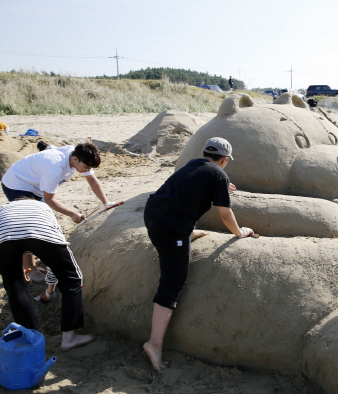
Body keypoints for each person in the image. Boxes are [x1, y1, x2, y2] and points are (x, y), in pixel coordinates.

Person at [142, 137, 253, 371]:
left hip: (152, 215)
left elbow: (196, 181)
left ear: (205, 154)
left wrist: (224, 182)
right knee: (172, 283)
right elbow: (225, 213)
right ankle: (154, 344)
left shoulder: (194, 164)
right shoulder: (219, 174)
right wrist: (239, 232)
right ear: (225, 160)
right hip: (170, 229)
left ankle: (188, 233)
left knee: (180, 229)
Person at [1, 143, 116, 292]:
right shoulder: (54, 168)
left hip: (36, 184)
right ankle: (30, 268)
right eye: (86, 167)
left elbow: (92, 180)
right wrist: (72, 214)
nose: (88, 170)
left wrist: (106, 203)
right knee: (30, 224)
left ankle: (37, 257)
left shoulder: (80, 155)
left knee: (43, 217)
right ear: (75, 159)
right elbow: (50, 200)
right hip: (17, 183)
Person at [0, 199, 94, 351]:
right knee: (71, 280)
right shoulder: (42, 206)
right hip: (40, 233)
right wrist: (51, 288)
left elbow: (19, 240)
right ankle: (69, 338)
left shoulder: (4, 208)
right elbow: (51, 243)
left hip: (5, 239)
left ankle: (32, 338)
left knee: (15, 287)